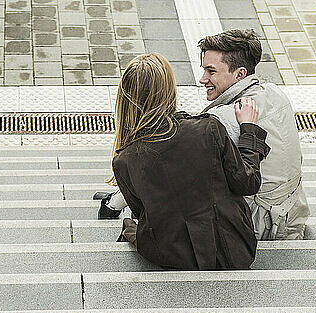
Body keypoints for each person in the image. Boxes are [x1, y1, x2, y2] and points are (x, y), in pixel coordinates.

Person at [97, 30, 309, 241]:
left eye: (211, 71)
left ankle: (116, 204)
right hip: (293, 215)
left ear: (240, 74)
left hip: (259, 225)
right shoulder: (276, 94)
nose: (202, 79)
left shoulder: (220, 121)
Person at [110, 53, 270, 270]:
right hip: (233, 250)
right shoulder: (208, 129)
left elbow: (143, 212)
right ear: (169, 91)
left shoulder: (124, 160)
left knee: (137, 224)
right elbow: (247, 183)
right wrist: (248, 130)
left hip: (169, 256)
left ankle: (129, 231)